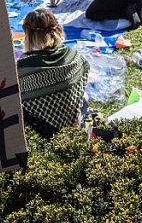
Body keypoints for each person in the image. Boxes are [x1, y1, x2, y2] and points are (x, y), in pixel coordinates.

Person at [17, 8, 90, 137]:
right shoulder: (72, 54)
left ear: (29, 35)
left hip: (47, 132)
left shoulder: (24, 67)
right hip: (75, 120)